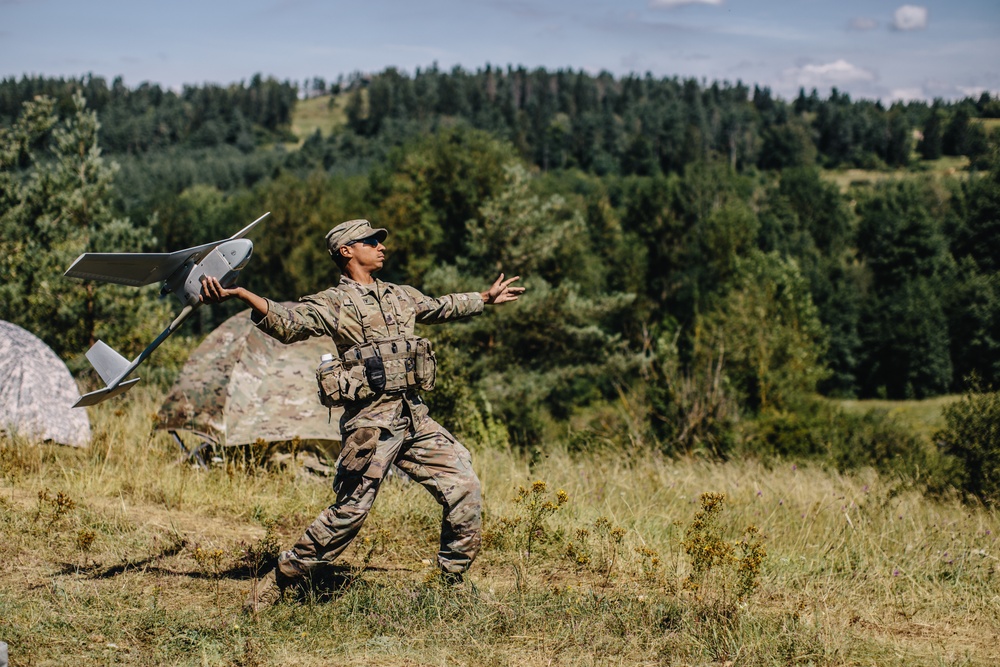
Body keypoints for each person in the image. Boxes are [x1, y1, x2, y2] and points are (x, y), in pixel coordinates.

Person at [199, 218, 524, 611]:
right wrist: (241, 295)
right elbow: (288, 324)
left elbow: (440, 306)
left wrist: (485, 299)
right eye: (370, 241)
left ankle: (449, 583)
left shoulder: (399, 294)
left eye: (379, 240)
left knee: (465, 484)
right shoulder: (331, 303)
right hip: (371, 423)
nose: (380, 245)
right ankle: (283, 578)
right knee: (350, 512)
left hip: (413, 416)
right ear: (346, 251)